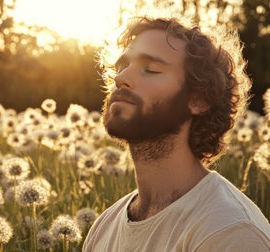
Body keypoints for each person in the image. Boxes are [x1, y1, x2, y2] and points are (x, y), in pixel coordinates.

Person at [83, 17, 270, 251]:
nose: (121, 78)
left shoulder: (229, 232)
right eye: (121, 68)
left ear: (198, 99)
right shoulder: (104, 227)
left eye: (150, 69)